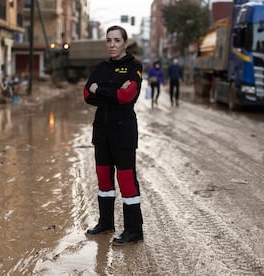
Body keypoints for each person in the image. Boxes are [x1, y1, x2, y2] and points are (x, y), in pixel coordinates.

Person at [83, 25, 144, 246]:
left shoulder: (134, 66)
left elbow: (127, 96)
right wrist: (113, 93)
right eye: (109, 40)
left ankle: (134, 230)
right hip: (101, 130)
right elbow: (86, 94)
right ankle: (106, 223)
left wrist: (100, 90)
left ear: (125, 43)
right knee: (103, 178)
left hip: (124, 131)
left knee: (126, 179)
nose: (112, 45)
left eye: (117, 40)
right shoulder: (101, 67)